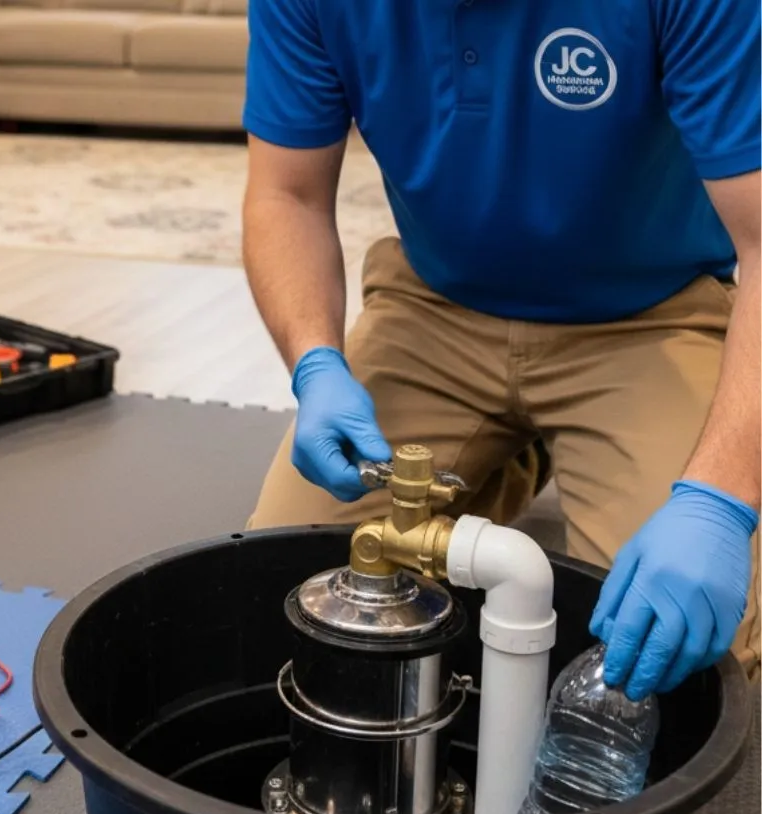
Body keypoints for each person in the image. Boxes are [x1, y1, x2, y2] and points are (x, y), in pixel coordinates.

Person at [240, 0, 760, 700]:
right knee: (294, 594)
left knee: (676, 655)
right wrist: (315, 363)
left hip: (648, 316)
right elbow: (287, 196)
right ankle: (522, 448)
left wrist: (720, 500)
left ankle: (546, 441)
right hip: (435, 308)